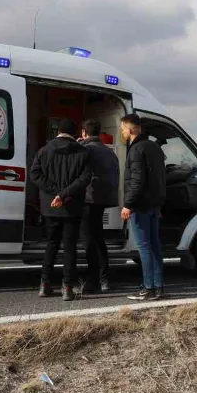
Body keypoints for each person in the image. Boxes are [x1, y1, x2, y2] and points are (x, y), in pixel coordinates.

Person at [29, 118, 92, 301]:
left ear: (57, 131)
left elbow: (35, 174)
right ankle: (67, 288)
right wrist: (65, 194)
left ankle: (44, 285)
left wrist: (55, 193)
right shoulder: (82, 152)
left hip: (50, 206)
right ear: (75, 133)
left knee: (52, 244)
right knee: (70, 247)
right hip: (72, 206)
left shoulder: (44, 150)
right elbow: (85, 177)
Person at [119, 113, 167, 301]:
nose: (122, 132)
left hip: (139, 206)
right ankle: (158, 286)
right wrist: (159, 204)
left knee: (144, 247)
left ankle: (148, 288)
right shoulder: (154, 147)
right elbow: (160, 180)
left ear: (130, 130)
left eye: (123, 128)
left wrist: (128, 204)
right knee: (155, 246)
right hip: (154, 206)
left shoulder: (136, 150)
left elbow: (137, 181)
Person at [78, 119, 119, 293]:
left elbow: (79, 173)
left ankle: (93, 280)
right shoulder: (110, 152)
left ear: (84, 133)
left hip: (88, 199)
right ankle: (105, 279)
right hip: (104, 199)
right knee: (99, 238)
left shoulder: (85, 150)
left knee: (88, 241)